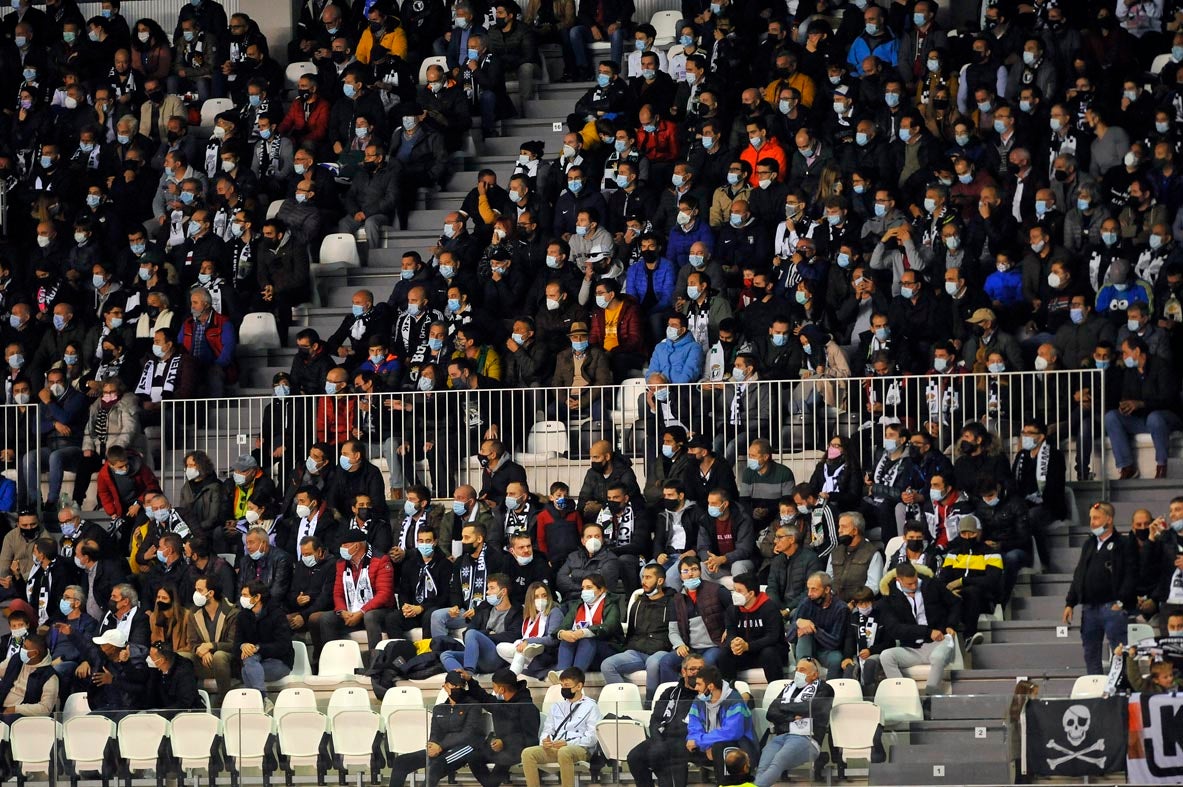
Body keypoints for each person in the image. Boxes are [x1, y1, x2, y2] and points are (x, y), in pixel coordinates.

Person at [1063, 501, 1136, 675]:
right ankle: (1096, 691)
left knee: (1119, 653)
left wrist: (1122, 601)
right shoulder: (1089, 544)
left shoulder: (1123, 543)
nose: (1092, 522)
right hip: (1089, 608)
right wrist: (1070, 603)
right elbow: (1079, 574)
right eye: (1091, 518)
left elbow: (1131, 575)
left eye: (1096, 518)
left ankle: (1118, 690)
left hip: (1112, 606)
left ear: (1109, 520)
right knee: (1090, 653)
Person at [387, 670, 487, 787]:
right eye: (454, 686)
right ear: (445, 686)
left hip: (467, 748)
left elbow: (467, 734)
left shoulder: (472, 706)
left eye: (460, 686)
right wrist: (432, 744)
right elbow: (435, 732)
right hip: (441, 748)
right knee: (401, 761)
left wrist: (441, 746)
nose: (457, 689)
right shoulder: (439, 709)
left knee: (436, 765)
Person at [878, 562, 961, 695]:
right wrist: (927, 632)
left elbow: (955, 603)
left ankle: (929, 696)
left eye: (915, 581)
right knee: (886, 656)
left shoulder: (931, 584)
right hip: (912, 648)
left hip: (938, 641)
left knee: (937, 657)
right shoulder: (888, 598)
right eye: (909, 584)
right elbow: (895, 629)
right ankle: (904, 696)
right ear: (898, 580)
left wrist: (950, 625)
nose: (914, 586)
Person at [754, 658, 834, 787]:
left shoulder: (825, 689)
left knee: (777, 761)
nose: (797, 673)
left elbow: (808, 708)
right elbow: (771, 712)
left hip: (807, 738)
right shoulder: (789, 688)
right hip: (781, 737)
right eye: (796, 669)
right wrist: (791, 717)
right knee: (763, 765)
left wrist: (783, 706)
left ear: (815, 674)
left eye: (802, 670)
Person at [627, 652, 702, 787]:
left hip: (690, 742)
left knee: (671, 753)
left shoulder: (707, 694)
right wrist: (657, 741)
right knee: (634, 756)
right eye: (692, 669)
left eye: (700, 669)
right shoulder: (669, 692)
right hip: (663, 739)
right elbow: (655, 719)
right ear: (683, 672)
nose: (696, 673)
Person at [600, 564, 672, 702]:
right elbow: (631, 631)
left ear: (660, 581)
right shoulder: (637, 604)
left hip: (661, 650)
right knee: (607, 665)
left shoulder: (672, 602)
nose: (644, 581)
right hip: (636, 651)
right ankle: (627, 701)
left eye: (648, 577)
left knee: (653, 664)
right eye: (643, 577)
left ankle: (651, 704)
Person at [315, 529, 394, 654]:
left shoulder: (381, 560)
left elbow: (384, 594)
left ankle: (375, 662)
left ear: (356, 546)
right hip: (351, 611)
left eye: (345, 545)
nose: (342, 549)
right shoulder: (341, 563)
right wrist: (342, 611)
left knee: (370, 616)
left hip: (379, 611)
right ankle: (334, 660)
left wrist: (362, 612)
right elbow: (337, 593)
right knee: (326, 618)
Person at [520, 667, 602, 787]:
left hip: (580, 749)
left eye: (567, 685)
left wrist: (568, 743)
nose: (564, 688)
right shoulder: (556, 706)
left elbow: (592, 738)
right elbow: (547, 730)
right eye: (562, 685)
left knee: (564, 751)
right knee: (527, 753)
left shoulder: (591, 706)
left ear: (579, 686)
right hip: (554, 747)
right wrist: (545, 741)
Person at [464, 668, 542, 787]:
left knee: (494, 777)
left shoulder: (527, 707)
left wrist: (504, 742)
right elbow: (484, 698)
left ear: (501, 689)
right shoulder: (502, 704)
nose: (493, 690)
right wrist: (470, 680)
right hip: (500, 748)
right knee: (473, 757)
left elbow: (530, 739)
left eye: (494, 686)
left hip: (517, 751)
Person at [686, 665, 759, 769]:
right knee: (677, 747)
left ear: (710, 686)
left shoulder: (734, 700)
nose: (695, 687)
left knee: (719, 748)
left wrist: (701, 741)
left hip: (740, 748)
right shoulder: (699, 700)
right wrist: (705, 745)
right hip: (707, 745)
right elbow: (694, 726)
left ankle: (723, 784)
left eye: (699, 684)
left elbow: (731, 733)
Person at [549, 573, 621, 678]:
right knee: (567, 638)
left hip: (607, 650)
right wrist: (562, 633)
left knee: (587, 639)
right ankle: (562, 673)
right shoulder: (578, 605)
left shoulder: (611, 605)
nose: (584, 591)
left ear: (601, 590)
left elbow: (609, 627)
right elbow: (562, 626)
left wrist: (585, 632)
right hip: (582, 652)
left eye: (589, 587)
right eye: (583, 588)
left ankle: (575, 678)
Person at [236, 580, 293, 703]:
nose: (242, 598)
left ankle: (257, 702)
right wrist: (243, 646)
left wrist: (258, 648)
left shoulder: (277, 614)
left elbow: (283, 646)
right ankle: (263, 701)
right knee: (248, 663)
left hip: (280, 662)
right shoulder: (242, 616)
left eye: (245, 595)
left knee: (247, 669)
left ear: (257, 597)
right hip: (254, 662)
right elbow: (236, 642)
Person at [789, 572, 849, 678]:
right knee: (804, 635)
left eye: (814, 589)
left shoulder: (841, 608)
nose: (809, 593)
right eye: (808, 589)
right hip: (807, 648)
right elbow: (789, 637)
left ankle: (830, 691)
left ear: (827, 590)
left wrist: (814, 629)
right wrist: (798, 623)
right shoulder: (806, 603)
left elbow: (835, 642)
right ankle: (803, 683)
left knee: (836, 659)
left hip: (828, 651)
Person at [0, 634, 58, 723]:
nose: (21, 649)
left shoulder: (50, 677)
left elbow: (45, 709)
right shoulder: (16, 658)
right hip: (2, 707)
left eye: (25, 647)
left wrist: (15, 709)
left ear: (34, 653)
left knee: (8, 720)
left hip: (22, 717)